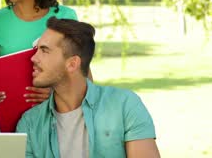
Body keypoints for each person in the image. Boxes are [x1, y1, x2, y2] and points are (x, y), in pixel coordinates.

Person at [16, 17, 160, 158]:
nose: (33, 58)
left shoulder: (124, 105)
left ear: (72, 64)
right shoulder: (30, 123)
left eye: (44, 50)